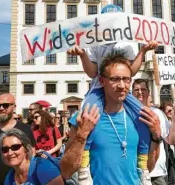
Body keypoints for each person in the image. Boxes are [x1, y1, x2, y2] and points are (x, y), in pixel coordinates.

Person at [66, 4, 158, 183]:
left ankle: (143, 168)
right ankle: (84, 169)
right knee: (87, 117)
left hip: (122, 89)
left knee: (145, 118)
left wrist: (143, 51)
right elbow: (93, 73)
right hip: (99, 87)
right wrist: (82, 55)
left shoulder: (128, 40)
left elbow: (130, 71)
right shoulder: (93, 39)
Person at [61, 54, 162, 185]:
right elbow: (66, 171)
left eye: (126, 79)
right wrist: (81, 136)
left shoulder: (139, 119)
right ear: (102, 81)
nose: (121, 85)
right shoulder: (85, 117)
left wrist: (156, 137)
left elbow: (148, 168)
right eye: (115, 79)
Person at [133, 80, 175, 185]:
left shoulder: (158, 113)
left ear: (149, 92)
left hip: (156, 173)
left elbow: (171, 140)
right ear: (132, 93)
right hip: (135, 172)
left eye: (143, 89)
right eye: (136, 90)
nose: (140, 92)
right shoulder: (127, 113)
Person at [160, 102, 175, 185]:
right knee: (171, 181)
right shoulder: (162, 124)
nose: (171, 112)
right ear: (163, 112)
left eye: (172, 110)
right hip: (167, 157)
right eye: (169, 110)